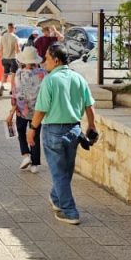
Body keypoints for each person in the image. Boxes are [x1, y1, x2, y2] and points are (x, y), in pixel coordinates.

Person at [27, 42, 97, 225]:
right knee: (65, 171)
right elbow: (89, 105)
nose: (44, 62)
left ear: (56, 60)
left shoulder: (50, 80)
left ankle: (70, 211)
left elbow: (41, 110)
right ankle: (56, 198)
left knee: (59, 173)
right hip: (74, 130)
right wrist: (92, 126)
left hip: (54, 131)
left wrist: (32, 129)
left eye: (47, 59)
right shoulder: (78, 78)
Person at [6, 46, 45, 172]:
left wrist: (11, 112)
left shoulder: (19, 74)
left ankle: (26, 155)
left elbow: (15, 94)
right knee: (35, 135)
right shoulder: (42, 74)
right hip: (38, 111)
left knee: (21, 132)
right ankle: (35, 164)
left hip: (22, 110)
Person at [0, 22, 20, 96]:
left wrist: (1, 57)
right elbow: (17, 50)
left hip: (4, 58)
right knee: (13, 75)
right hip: (13, 58)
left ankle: (2, 85)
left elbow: (0, 48)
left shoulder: (3, 36)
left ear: (8, 28)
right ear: (13, 28)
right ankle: (12, 90)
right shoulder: (15, 37)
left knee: (5, 74)